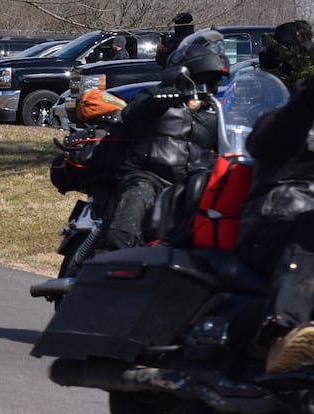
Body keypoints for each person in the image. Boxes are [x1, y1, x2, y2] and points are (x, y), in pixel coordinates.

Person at [232, 21, 314, 372]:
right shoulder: (278, 121)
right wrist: (306, 101)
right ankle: (281, 332)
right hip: (271, 222)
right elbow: (268, 140)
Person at [96, 30, 225, 252]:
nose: (208, 86)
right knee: (125, 230)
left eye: (213, 80)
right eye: (204, 79)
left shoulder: (214, 113)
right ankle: (109, 267)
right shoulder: (156, 98)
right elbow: (131, 115)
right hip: (149, 176)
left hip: (191, 185)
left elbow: (229, 149)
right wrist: (158, 101)